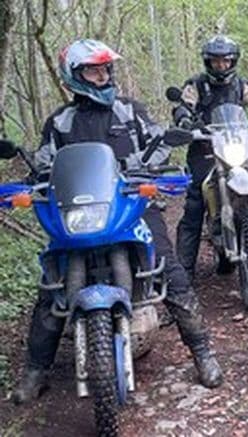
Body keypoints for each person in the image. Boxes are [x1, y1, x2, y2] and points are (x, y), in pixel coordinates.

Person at [12, 39, 223, 404]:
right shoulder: (60, 122)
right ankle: (36, 370)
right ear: (74, 76)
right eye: (93, 70)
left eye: (105, 69)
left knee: (169, 269)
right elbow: (45, 163)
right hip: (79, 212)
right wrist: (32, 179)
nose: (103, 76)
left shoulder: (129, 111)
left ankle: (203, 352)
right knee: (51, 282)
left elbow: (158, 142)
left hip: (129, 204)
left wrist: (154, 166)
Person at [172, 35, 248, 280]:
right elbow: (183, 105)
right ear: (208, 62)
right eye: (215, 61)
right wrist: (184, 118)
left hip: (237, 146)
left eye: (225, 61)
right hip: (205, 148)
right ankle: (183, 272)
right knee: (195, 202)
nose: (221, 65)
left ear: (233, 61)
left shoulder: (241, 84)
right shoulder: (196, 85)